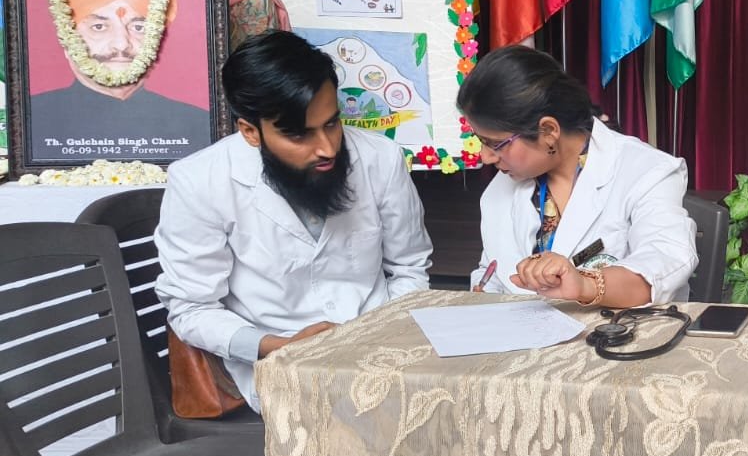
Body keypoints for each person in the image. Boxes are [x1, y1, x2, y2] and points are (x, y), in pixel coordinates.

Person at [154, 30, 432, 411]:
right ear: (250, 131)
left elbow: (409, 268)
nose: (327, 148)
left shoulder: (380, 159)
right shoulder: (199, 181)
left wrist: (376, 338)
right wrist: (278, 347)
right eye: (300, 135)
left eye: (332, 124)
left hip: (382, 347)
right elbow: (191, 308)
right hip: (276, 364)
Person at [458, 45, 697, 306]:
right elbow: (493, 268)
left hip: (617, 329)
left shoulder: (646, 171)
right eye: (481, 141)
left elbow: (665, 262)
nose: (485, 157)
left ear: (548, 131)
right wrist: (484, 295)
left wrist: (585, 284)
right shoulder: (502, 186)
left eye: (496, 144)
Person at [28, 0, 212, 161]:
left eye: (139, 27)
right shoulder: (30, 118)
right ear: (67, 36)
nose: (121, 45)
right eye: (99, 27)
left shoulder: (198, 123)